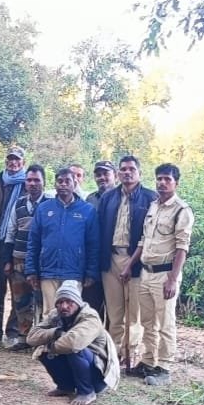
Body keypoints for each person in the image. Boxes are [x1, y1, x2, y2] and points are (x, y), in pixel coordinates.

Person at [124, 164, 193, 386]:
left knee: (165, 322)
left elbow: (182, 247)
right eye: (159, 179)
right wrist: (129, 266)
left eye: (167, 179)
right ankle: (148, 362)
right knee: (147, 322)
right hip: (145, 272)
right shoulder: (153, 206)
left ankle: (164, 367)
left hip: (165, 275)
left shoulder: (182, 210)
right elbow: (143, 242)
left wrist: (173, 279)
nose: (162, 183)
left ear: (176, 183)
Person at [97, 155, 157, 370]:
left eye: (131, 168)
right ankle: (113, 357)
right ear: (118, 173)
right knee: (114, 314)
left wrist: (134, 262)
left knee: (134, 315)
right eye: (123, 169)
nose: (127, 172)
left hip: (137, 261)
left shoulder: (151, 197)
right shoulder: (108, 197)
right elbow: (99, 229)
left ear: (139, 172)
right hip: (111, 259)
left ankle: (130, 356)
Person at [27, 280, 120, 405]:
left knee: (74, 350)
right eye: (60, 302)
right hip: (76, 365)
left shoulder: (90, 317)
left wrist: (50, 346)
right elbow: (31, 337)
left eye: (69, 301)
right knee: (43, 351)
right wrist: (55, 332)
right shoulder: (55, 314)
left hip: (97, 375)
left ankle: (87, 392)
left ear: (77, 302)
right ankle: (66, 386)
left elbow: (73, 343)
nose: (64, 306)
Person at [25, 167, 99, 318]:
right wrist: (31, 270)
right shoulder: (44, 209)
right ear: (55, 184)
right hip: (48, 271)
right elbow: (34, 242)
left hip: (73, 272)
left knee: (71, 313)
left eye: (67, 181)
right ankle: (50, 342)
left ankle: (69, 342)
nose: (63, 184)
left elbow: (93, 244)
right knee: (50, 313)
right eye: (60, 181)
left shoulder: (87, 210)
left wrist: (91, 272)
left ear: (75, 183)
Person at [0, 147, 27, 344]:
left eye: (17, 160)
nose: (13, 163)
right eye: (10, 159)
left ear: (22, 163)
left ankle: (13, 330)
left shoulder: (28, 184)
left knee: (18, 289)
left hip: (17, 245)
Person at [2, 164, 48, 349]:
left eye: (37, 180)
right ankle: (24, 337)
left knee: (41, 300)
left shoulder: (49, 204)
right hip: (19, 260)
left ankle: (41, 339)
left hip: (41, 261)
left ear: (44, 182)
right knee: (21, 300)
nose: (33, 183)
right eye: (29, 180)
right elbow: (11, 232)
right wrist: (7, 260)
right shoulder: (19, 203)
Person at [83, 160, 117, 319]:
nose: (102, 177)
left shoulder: (122, 198)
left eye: (106, 173)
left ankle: (111, 343)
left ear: (115, 175)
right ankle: (92, 343)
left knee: (114, 310)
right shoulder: (90, 199)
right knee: (92, 307)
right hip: (93, 262)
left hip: (115, 261)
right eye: (98, 174)